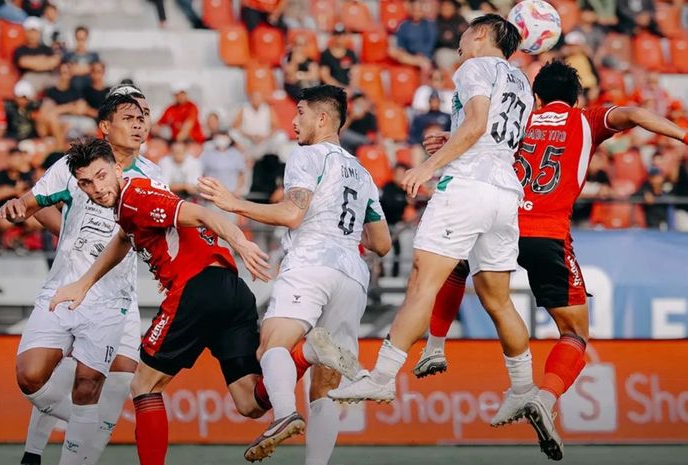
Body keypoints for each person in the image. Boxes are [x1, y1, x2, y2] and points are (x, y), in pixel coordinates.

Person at [415, 59, 688, 460]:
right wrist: (682, 134)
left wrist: (447, 140)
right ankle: (544, 397)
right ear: (575, 97)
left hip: (502, 222)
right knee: (575, 332)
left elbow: (476, 140)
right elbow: (634, 114)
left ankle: (435, 345)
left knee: (460, 265)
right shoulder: (586, 120)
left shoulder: (517, 119)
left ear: (536, 96)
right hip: (548, 235)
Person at [50, 137, 355, 465]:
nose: (96, 188)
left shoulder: (134, 197)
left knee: (144, 385)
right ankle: (309, 352)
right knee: (250, 403)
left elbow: (199, 214)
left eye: (100, 176)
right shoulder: (132, 201)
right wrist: (83, 284)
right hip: (232, 292)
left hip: (197, 289)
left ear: (117, 168)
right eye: (85, 182)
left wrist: (241, 243)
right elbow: (125, 238)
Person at [328, 15, 536, 446]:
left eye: (464, 34)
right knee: (498, 300)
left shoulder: (475, 66)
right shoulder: (521, 82)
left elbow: (477, 123)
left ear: (480, 34)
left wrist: (428, 166)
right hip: (504, 195)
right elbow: (495, 136)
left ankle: (383, 376)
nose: (458, 43)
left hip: (466, 189)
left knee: (423, 278)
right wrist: (452, 140)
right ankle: (524, 389)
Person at [198, 84, 392, 464]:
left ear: (322, 118)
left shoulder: (307, 156)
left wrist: (232, 203)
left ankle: (285, 413)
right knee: (326, 385)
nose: (293, 120)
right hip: (352, 274)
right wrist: (344, 231)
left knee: (273, 345)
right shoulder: (362, 172)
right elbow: (382, 243)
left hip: (312, 261)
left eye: (300, 112)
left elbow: (291, 214)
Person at [3, 91, 162, 465]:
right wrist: (50, 227)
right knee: (33, 378)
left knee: (109, 384)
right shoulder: (73, 167)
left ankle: (63, 452)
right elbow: (35, 203)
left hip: (115, 299)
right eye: (129, 116)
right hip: (64, 288)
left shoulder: (154, 177)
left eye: (143, 116)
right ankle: (71, 434)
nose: (139, 123)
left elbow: (149, 233)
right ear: (106, 127)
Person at [12, 17, 61, 90]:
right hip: (30, 77)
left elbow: (54, 61)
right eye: (30, 32)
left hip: (48, 76)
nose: (33, 35)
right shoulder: (20, 50)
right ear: (26, 33)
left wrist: (34, 62)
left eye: (35, 32)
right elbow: (23, 62)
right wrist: (44, 60)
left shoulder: (46, 48)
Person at [63, 26, 100, 91]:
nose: (80, 42)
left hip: (90, 92)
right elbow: (66, 72)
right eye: (78, 39)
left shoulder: (94, 56)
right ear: (75, 38)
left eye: (82, 39)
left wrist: (76, 69)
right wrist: (88, 68)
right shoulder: (68, 55)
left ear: (87, 38)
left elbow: (97, 73)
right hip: (72, 92)